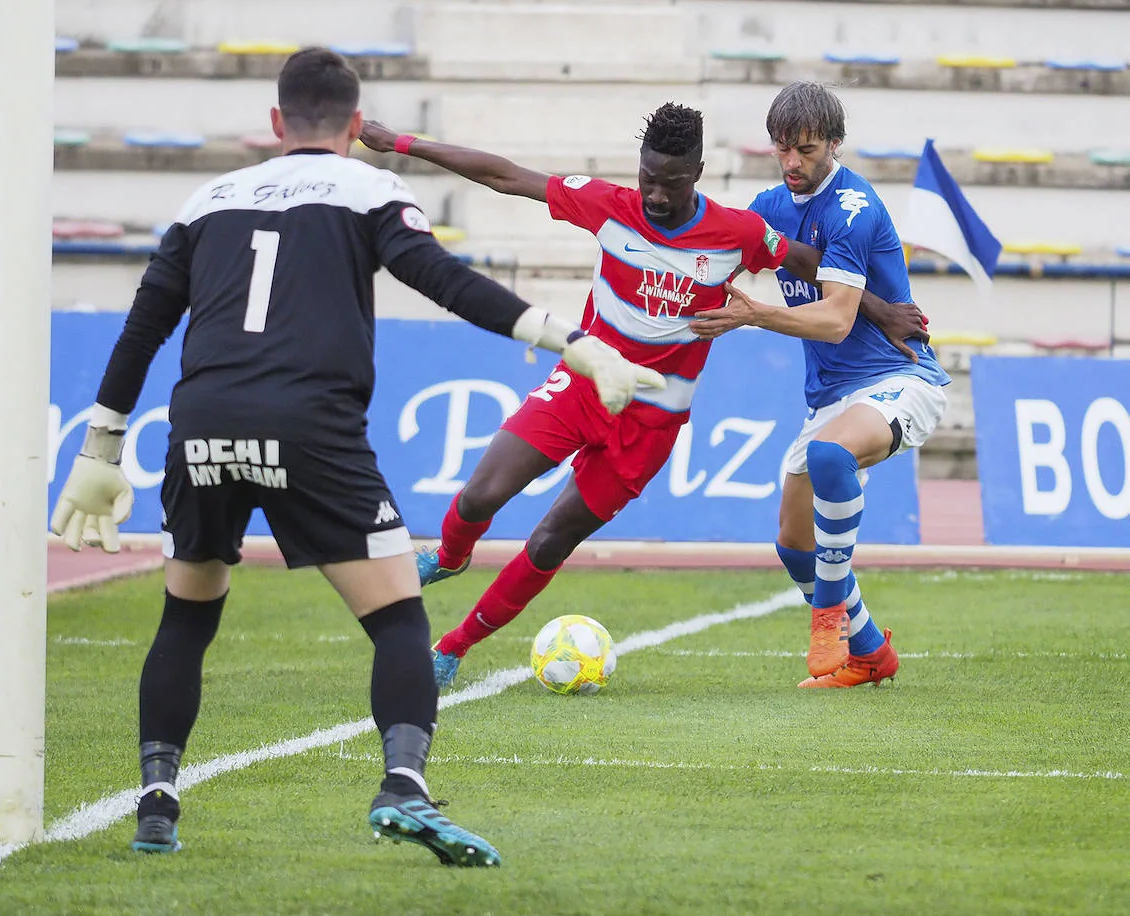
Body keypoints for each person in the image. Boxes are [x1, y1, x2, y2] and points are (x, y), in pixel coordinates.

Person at [48, 48, 663, 865]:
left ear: (276, 123)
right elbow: (446, 281)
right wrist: (573, 343)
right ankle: (404, 786)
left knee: (187, 617)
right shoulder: (368, 188)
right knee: (400, 619)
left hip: (201, 424)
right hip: (309, 424)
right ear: (352, 122)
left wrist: (102, 443)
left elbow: (144, 326)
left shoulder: (208, 200)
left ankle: (156, 804)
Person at [359, 105, 922, 690]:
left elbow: (810, 263)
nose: (654, 195)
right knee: (481, 494)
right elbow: (507, 175)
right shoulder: (610, 206)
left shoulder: (738, 233)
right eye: (646, 178)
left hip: (651, 424)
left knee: (551, 538)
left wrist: (878, 311)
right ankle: (451, 555)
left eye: (671, 184)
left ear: (697, 173)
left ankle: (453, 648)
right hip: (583, 386)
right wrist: (401, 142)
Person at [691, 81, 950, 688]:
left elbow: (834, 320)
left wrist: (753, 314)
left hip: (900, 376)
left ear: (834, 143)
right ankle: (869, 654)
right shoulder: (774, 202)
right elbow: (731, 249)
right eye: (782, 149)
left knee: (832, 456)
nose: (791, 163)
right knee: (792, 542)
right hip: (831, 396)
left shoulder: (854, 207)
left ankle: (828, 619)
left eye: (804, 150)